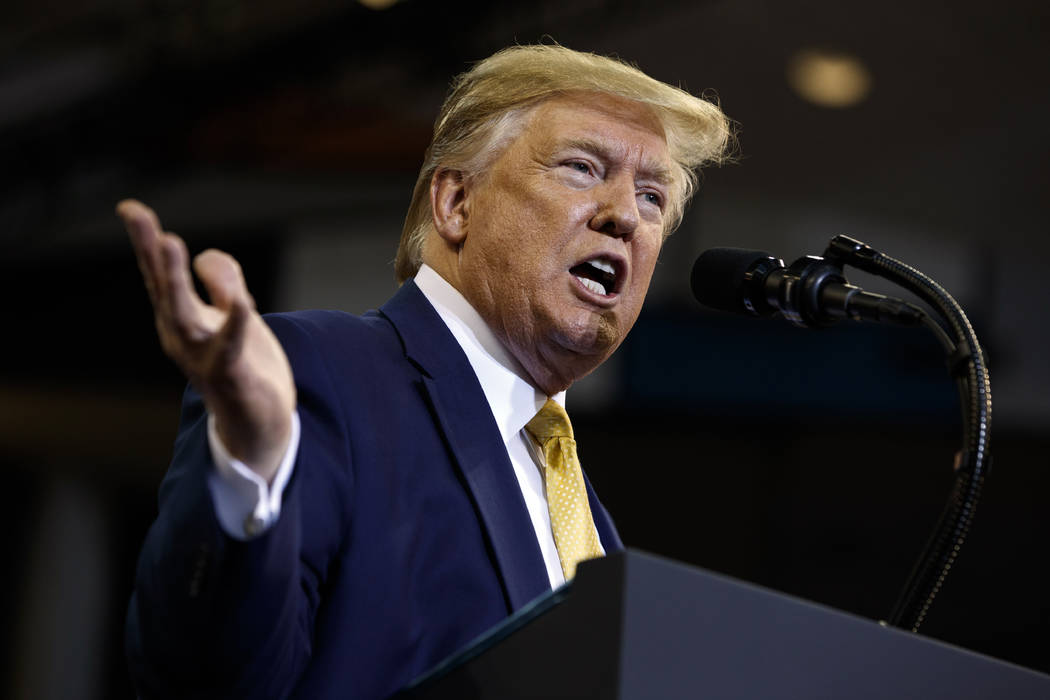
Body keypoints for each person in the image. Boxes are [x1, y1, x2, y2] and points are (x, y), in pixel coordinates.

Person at [121, 44, 730, 700]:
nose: (624, 217)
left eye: (651, 198)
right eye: (583, 167)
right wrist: (253, 468)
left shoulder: (585, 517)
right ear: (456, 202)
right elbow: (202, 677)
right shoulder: (324, 374)